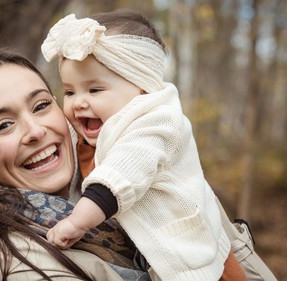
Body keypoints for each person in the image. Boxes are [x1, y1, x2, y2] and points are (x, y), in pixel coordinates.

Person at [41, 11, 246, 281]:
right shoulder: (100, 126)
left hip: (194, 262)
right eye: (69, 92)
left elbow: (121, 174)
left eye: (94, 90)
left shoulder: (157, 122)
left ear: (142, 89)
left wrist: (76, 222)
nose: (78, 102)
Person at [0, 49, 150, 280]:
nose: (35, 131)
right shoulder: (17, 263)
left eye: (41, 105)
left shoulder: (121, 191)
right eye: (3, 125)